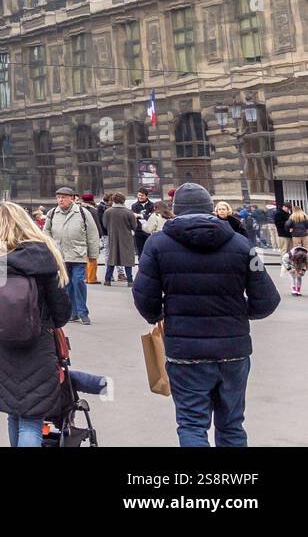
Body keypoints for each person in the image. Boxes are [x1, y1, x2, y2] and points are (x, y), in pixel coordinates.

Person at [133, 182, 280, 447]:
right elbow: (267, 299)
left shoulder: (156, 244)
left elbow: (144, 297)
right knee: (232, 424)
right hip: (233, 348)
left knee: (191, 424)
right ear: (211, 209)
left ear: (175, 211)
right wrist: (241, 313)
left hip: (185, 349)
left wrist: (159, 315)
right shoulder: (241, 244)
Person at [0, 200, 72, 447]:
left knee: (14, 413)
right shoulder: (42, 255)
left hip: (0, 348)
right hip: (38, 349)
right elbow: (61, 313)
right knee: (32, 421)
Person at [43, 186, 98, 325]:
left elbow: (92, 234)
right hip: (60, 255)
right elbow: (46, 232)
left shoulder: (82, 212)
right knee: (66, 285)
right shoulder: (52, 213)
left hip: (78, 254)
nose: (60, 200)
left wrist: (93, 254)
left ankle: (82, 312)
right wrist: (50, 248)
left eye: (63, 197)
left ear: (72, 199)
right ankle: (71, 312)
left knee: (78, 282)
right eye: (58, 197)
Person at [101, 192, 137, 286]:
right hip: (126, 238)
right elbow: (134, 226)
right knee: (127, 259)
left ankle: (107, 279)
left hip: (113, 237)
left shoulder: (108, 212)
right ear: (123, 200)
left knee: (112, 258)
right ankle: (130, 280)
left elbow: (105, 224)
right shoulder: (129, 212)